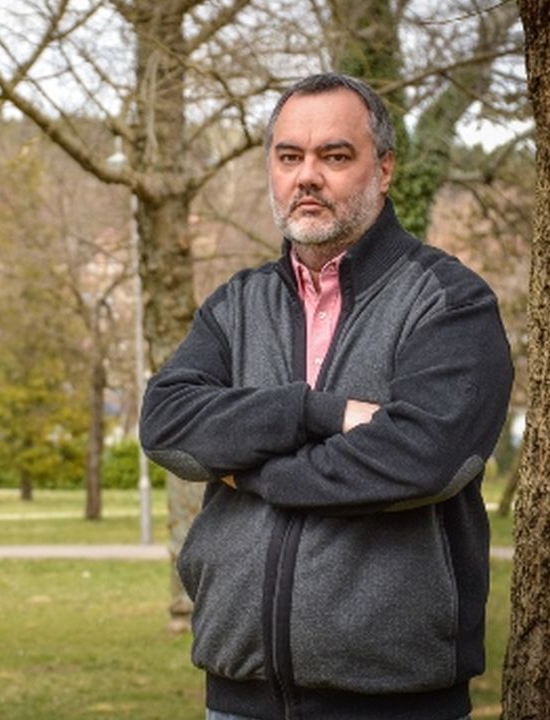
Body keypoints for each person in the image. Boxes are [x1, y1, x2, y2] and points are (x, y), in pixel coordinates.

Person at [140, 73, 513, 720]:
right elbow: (167, 422)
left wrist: (249, 470)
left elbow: (424, 459)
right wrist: (318, 412)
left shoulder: (449, 302)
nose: (307, 177)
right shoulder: (237, 305)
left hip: (394, 704)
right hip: (237, 702)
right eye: (289, 157)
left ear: (385, 169)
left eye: (334, 156)